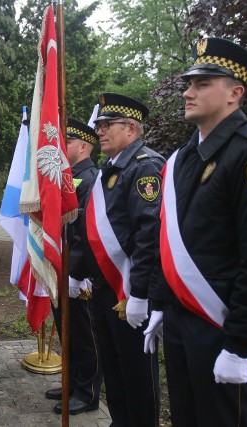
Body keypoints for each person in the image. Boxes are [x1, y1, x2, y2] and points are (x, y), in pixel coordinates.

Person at [145, 37, 247, 427]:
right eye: (188, 83)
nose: (187, 92)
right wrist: (162, 304)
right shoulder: (183, 158)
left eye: (201, 84)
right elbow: (172, 239)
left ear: (235, 93)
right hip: (183, 320)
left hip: (221, 326)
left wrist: (239, 344)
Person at [72, 93, 163, 426]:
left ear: (132, 128)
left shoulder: (145, 166)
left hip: (130, 289)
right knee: (114, 366)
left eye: (108, 125)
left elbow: (147, 236)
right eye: (99, 125)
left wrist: (139, 293)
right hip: (107, 287)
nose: (100, 131)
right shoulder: (111, 168)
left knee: (137, 373)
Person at [46, 118, 103, 415]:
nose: (60, 147)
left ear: (83, 147)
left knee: (84, 335)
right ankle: (71, 382)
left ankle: (88, 392)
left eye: (66, 143)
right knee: (66, 330)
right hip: (60, 266)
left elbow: (83, 232)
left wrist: (75, 273)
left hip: (77, 275)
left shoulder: (90, 178)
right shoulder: (66, 177)